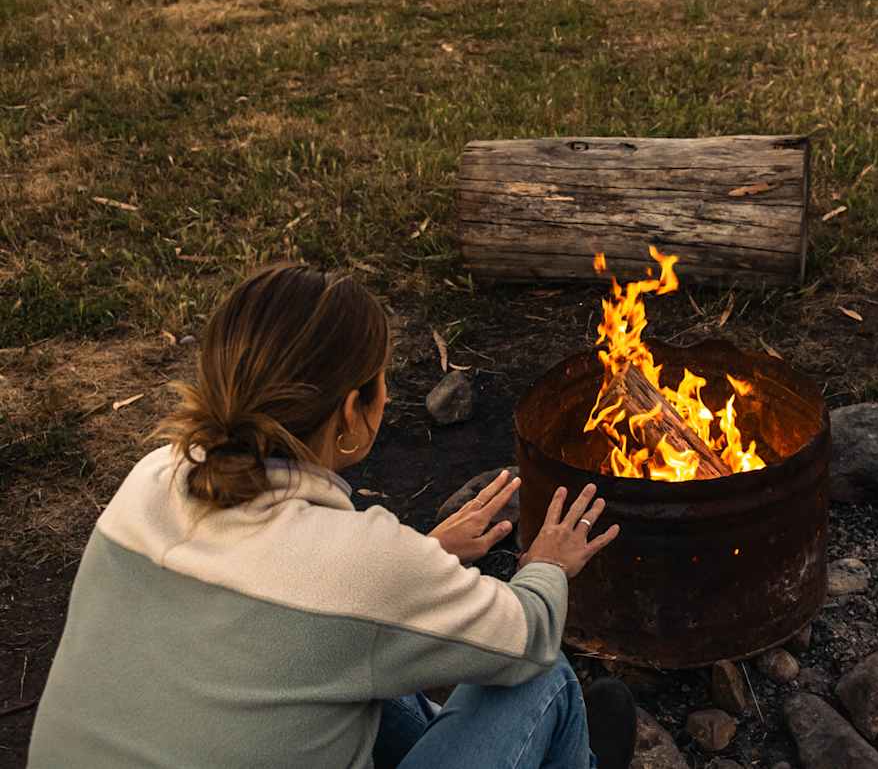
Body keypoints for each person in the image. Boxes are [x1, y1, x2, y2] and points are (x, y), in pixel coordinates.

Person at [28, 263, 637, 769]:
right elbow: (526, 639)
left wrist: (425, 561)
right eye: (381, 383)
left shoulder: (152, 477)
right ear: (351, 411)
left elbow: (299, 605)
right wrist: (547, 565)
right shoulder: (359, 561)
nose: (391, 397)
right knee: (546, 682)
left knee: (347, 669)